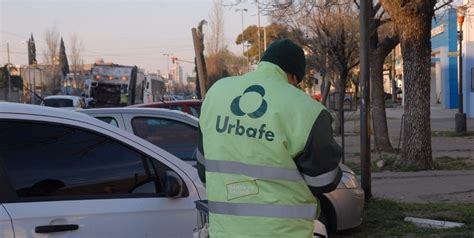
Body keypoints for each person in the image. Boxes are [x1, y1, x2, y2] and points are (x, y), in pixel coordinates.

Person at [197, 39, 342, 237]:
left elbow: (204, 169)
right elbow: (324, 181)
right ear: (292, 76)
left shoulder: (215, 94)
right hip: (284, 232)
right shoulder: (307, 110)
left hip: (225, 231)